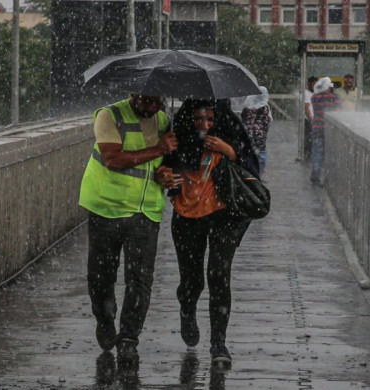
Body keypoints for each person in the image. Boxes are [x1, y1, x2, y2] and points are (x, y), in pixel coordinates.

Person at [79, 94, 181, 365]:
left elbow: (163, 166)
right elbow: (112, 159)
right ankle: (104, 319)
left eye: (157, 102)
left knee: (140, 280)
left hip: (145, 211)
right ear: (134, 94)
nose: (152, 107)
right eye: (147, 101)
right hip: (107, 207)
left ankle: (128, 339)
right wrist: (159, 150)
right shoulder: (109, 116)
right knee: (100, 276)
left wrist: (165, 175)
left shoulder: (164, 121)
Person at [160, 99, 259, 366]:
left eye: (211, 120)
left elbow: (253, 167)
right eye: (199, 119)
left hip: (224, 216)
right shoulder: (178, 138)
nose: (205, 125)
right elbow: (163, 167)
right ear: (188, 119)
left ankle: (219, 344)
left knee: (219, 276)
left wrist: (228, 150)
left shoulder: (231, 135)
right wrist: (164, 175)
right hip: (187, 217)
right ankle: (188, 307)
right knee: (192, 279)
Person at [310, 77, 340, 185]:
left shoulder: (314, 97)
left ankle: (315, 175)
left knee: (317, 152)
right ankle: (328, 177)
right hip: (329, 129)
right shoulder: (334, 97)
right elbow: (339, 110)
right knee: (330, 152)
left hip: (317, 127)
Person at [241, 86, 272, 178]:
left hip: (248, 141)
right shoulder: (265, 109)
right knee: (260, 159)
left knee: (249, 159)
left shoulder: (246, 109)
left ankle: (251, 176)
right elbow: (267, 123)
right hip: (260, 141)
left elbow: (243, 122)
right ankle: (258, 177)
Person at [303, 76, 318, 160]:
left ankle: (311, 153)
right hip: (309, 120)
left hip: (314, 120)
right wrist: (312, 119)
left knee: (312, 138)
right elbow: (306, 108)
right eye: (314, 84)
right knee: (309, 138)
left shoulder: (314, 93)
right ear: (309, 84)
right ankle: (308, 154)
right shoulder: (306, 93)